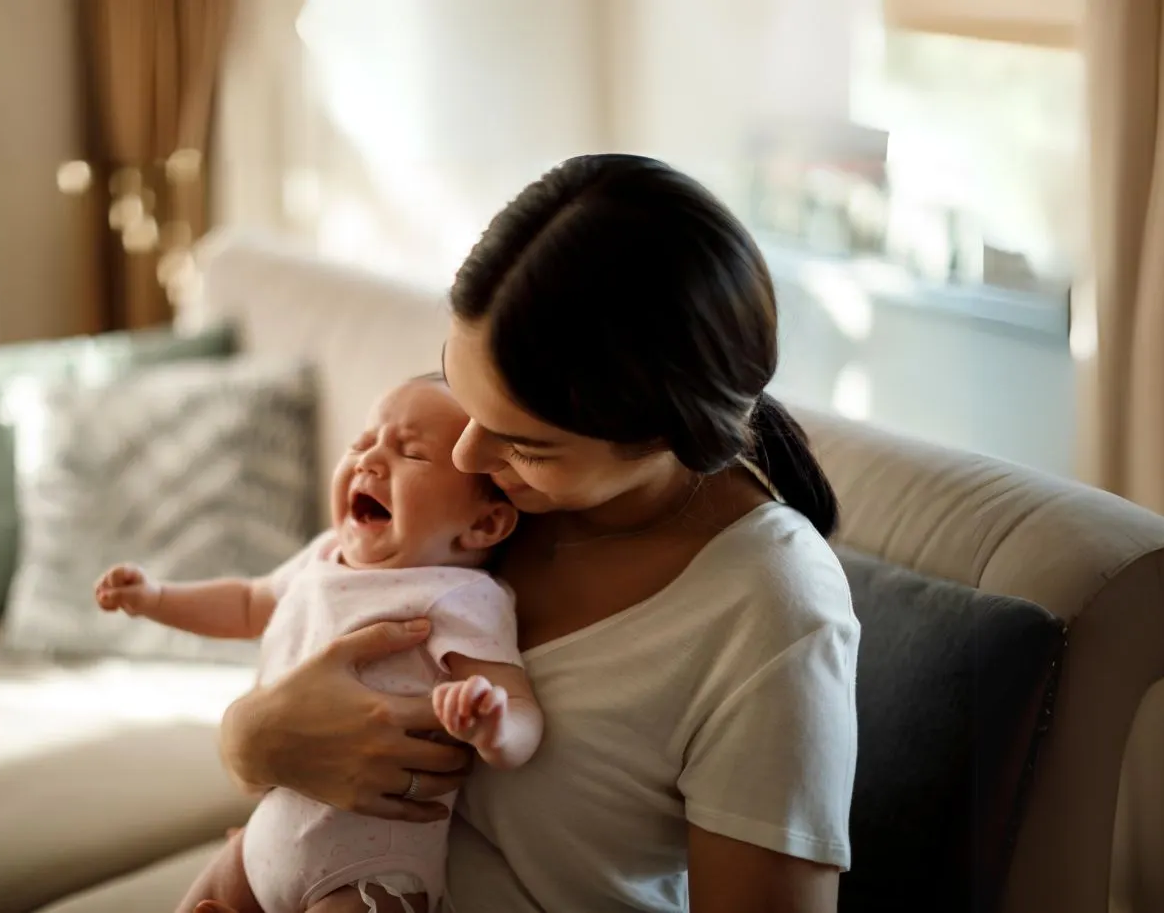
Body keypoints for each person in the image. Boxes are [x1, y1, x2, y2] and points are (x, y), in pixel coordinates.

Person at [198, 154, 860, 913]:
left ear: (662, 435)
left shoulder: (772, 615)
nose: (464, 455)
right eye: (460, 389)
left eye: (525, 443)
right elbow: (310, 650)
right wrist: (250, 739)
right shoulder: (486, 502)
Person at [96, 376, 547, 913]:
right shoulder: (324, 555)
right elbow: (245, 602)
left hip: (366, 874)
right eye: (362, 443)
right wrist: (156, 597)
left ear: (484, 523)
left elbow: (520, 707)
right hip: (262, 845)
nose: (369, 461)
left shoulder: (460, 596)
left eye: (410, 453)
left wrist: (493, 725)